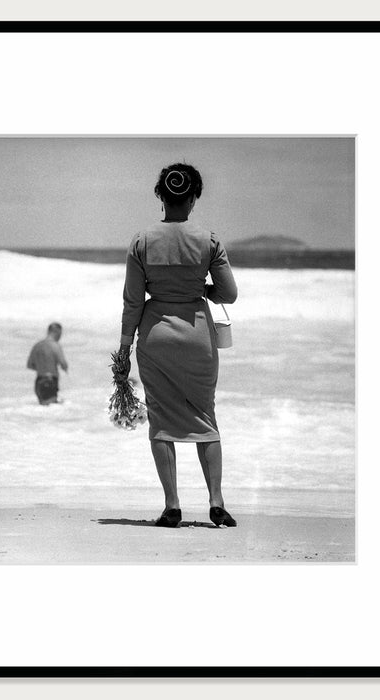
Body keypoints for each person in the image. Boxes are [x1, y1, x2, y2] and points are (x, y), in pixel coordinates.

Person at [118, 164, 238, 528]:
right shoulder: (208, 240)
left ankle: (172, 505)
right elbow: (229, 294)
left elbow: (133, 302)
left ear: (161, 196)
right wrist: (202, 290)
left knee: (161, 420)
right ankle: (216, 502)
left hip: (155, 338)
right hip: (197, 336)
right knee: (205, 417)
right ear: (193, 197)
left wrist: (124, 349)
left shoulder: (142, 241)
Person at [27, 322, 68, 405]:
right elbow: (63, 363)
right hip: (50, 381)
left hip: (39, 382)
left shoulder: (37, 346)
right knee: (52, 410)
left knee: (43, 409)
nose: (60, 337)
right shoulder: (55, 345)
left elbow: (29, 365)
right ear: (57, 332)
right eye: (60, 334)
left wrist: (41, 367)